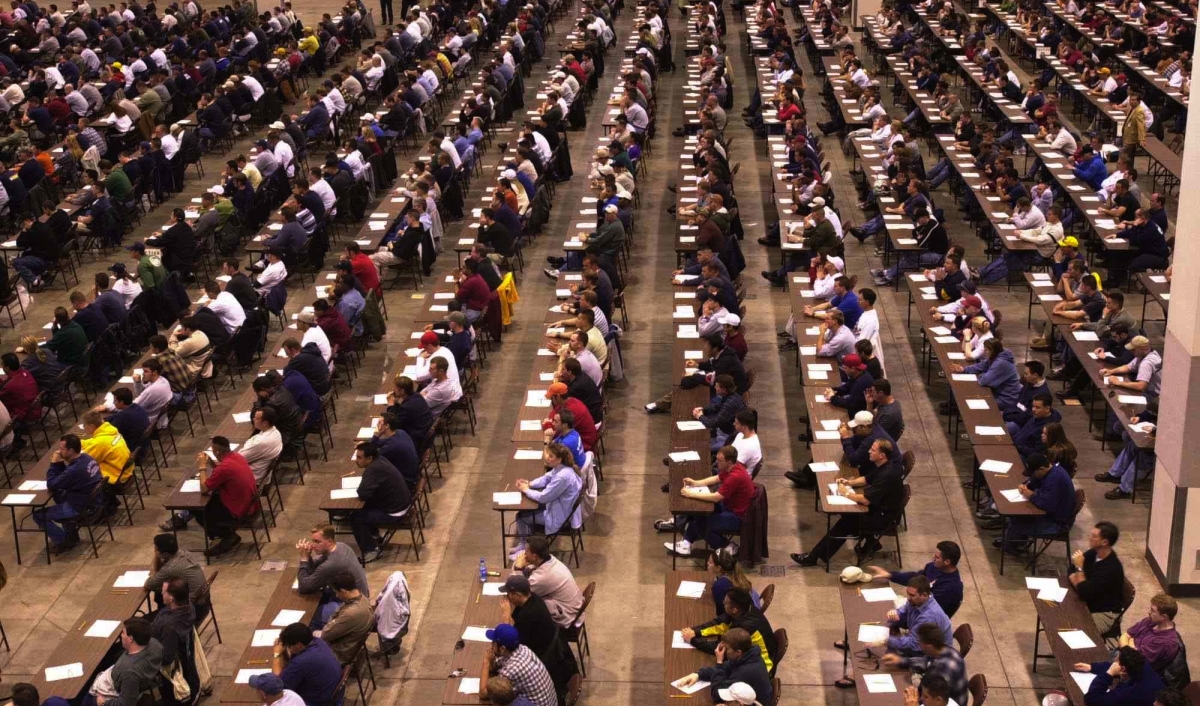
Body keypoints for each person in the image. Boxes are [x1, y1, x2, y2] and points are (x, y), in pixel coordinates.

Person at [791, 439, 905, 566]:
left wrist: (845, 493)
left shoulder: (886, 474)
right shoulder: (884, 465)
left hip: (884, 518)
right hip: (879, 508)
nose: (869, 451)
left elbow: (866, 500)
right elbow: (866, 479)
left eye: (872, 450)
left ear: (881, 455)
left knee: (847, 522)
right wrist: (848, 482)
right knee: (847, 515)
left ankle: (814, 557)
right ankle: (872, 542)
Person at [658, 446, 754, 558]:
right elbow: (717, 478)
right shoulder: (732, 467)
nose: (717, 462)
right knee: (699, 515)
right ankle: (686, 544)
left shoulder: (735, 476)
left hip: (737, 517)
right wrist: (695, 483)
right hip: (729, 506)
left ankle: (729, 546)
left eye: (719, 460)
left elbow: (716, 497)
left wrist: (691, 494)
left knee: (703, 526)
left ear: (728, 462)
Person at [499, 574, 579, 697]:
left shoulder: (528, 615)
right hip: (549, 650)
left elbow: (511, 644)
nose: (507, 598)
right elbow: (516, 623)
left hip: (540, 658)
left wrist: (506, 617)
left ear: (517, 595)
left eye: (509, 594)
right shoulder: (534, 599)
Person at [512, 443, 584, 559]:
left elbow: (544, 497)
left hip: (559, 516)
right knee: (524, 513)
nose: (547, 457)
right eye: (548, 454)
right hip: (558, 507)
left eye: (551, 456)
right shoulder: (562, 468)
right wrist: (530, 484)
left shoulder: (563, 477)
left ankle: (525, 549)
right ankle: (523, 544)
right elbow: (546, 478)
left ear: (559, 459)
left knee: (521, 518)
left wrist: (526, 490)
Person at [681, 587, 778, 673]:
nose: (723, 603)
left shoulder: (745, 627)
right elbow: (719, 623)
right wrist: (695, 631)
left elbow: (723, 648)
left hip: (760, 669)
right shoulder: (745, 608)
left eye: (725, 603)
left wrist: (693, 641)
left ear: (734, 609)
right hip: (748, 657)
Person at [997, 453, 1077, 554]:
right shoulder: (1049, 470)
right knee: (1017, 518)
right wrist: (1026, 485)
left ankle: (1009, 548)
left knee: (1016, 523)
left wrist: (1030, 495)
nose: (1033, 474)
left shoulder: (1055, 479)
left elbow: (1046, 505)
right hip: (1052, 515)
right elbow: (1034, 480)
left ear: (1042, 468)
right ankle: (1013, 542)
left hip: (1056, 523)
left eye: (1034, 472)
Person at [193, 435, 259, 557]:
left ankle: (227, 536)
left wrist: (202, 466)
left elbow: (204, 489)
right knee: (211, 501)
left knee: (196, 508)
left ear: (217, 451)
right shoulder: (236, 457)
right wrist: (211, 462)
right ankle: (227, 535)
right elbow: (222, 471)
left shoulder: (224, 468)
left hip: (238, 511)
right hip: (248, 503)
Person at [349, 441, 412, 564]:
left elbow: (362, 493)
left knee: (355, 517)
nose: (356, 460)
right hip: (401, 503)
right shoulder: (380, 460)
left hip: (395, 512)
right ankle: (374, 536)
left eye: (359, 457)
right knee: (364, 508)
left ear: (369, 458)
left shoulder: (373, 469)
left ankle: (371, 550)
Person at [673, 628, 773, 706]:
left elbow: (717, 695)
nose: (723, 650)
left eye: (727, 649)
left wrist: (719, 661)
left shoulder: (745, 672)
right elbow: (725, 669)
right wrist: (698, 674)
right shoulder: (747, 655)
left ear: (738, 652)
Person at [297, 524, 371, 627]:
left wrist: (304, 559)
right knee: (315, 598)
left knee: (307, 618)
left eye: (317, 542)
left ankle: (318, 641)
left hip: (351, 605)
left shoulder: (332, 564)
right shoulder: (340, 546)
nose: (313, 545)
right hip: (357, 597)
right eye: (313, 541)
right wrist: (308, 556)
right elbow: (315, 569)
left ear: (330, 541)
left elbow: (304, 587)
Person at [867, 541, 963, 618]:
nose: (933, 559)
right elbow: (916, 578)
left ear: (947, 562)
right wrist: (890, 575)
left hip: (927, 621)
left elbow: (928, 610)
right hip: (917, 607)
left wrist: (898, 616)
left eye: (937, 557)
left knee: (883, 615)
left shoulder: (951, 588)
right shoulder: (934, 567)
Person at [882, 623, 968, 706]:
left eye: (920, 642)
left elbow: (929, 695)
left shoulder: (944, 671)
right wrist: (901, 661)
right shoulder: (944, 650)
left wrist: (914, 700)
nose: (919, 645)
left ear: (929, 646)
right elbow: (927, 661)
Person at [512, 535, 584, 629]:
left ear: (534, 556)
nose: (524, 555)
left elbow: (516, 589)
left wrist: (518, 568)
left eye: (526, 552)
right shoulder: (550, 560)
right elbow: (531, 573)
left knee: (523, 604)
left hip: (566, 616)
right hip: (571, 608)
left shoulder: (543, 576)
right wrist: (523, 567)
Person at [89, 618, 163, 706]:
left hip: (110, 693)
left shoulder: (129, 673)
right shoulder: (155, 644)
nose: (121, 635)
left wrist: (103, 703)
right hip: (126, 680)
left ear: (130, 638)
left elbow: (125, 703)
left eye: (123, 633)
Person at [1069, 521, 1127, 634]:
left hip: (1104, 614)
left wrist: (1080, 569)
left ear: (1104, 542)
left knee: (1072, 631)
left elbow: (1084, 591)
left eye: (1094, 536)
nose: (1089, 538)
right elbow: (1071, 569)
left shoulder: (1111, 568)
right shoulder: (1094, 553)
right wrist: (1080, 584)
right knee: (1060, 616)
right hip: (1090, 602)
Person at [484, 624, 558, 706]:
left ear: (502, 649)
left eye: (493, 643)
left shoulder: (512, 669)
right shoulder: (522, 649)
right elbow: (496, 665)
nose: (491, 645)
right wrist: (492, 661)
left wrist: (486, 662)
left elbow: (484, 692)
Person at [270, 623, 343, 706]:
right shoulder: (318, 641)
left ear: (299, 645)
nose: (288, 649)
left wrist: (277, 653)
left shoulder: (302, 661)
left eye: (289, 646)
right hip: (329, 692)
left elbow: (276, 686)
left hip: (316, 701)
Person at [1073, 646, 1164, 706]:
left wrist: (1108, 674)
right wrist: (1092, 667)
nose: (1113, 664)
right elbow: (1116, 666)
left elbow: (1091, 699)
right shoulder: (1141, 664)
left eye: (1115, 663)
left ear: (1123, 669)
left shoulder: (1126, 694)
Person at [145, 533, 208, 618]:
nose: (154, 551)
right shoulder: (184, 552)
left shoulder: (170, 568)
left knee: (143, 621)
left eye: (156, 549)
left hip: (191, 610)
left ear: (165, 554)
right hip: (203, 603)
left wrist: (156, 557)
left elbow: (149, 584)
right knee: (161, 592)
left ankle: (162, 619)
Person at [316, 571, 374, 665]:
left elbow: (325, 635)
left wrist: (332, 622)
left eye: (336, 592)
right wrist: (333, 621)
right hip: (348, 642)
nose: (336, 595)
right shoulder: (362, 597)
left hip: (338, 654)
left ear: (343, 591)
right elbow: (336, 613)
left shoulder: (351, 613)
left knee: (306, 641)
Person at [1119, 593, 1181, 674]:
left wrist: (1131, 640)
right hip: (1121, 656)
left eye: (1153, 610)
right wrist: (1130, 647)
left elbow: (1134, 662)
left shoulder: (1165, 642)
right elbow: (1125, 636)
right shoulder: (1150, 621)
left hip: (1130, 672)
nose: (1149, 612)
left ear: (1164, 617)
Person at [151, 578, 196, 678]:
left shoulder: (170, 627)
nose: (162, 593)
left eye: (164, 593)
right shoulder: (188, 605)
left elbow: (166, 658)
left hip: (153, 655)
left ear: (171, 599)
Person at [708, 546, 762, 615]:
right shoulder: (735, 575)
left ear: (719, 568)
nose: (707, 564)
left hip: (742, 621)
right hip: (753, 613)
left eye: (710, 562)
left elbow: (722, 613)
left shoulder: (719, 585)